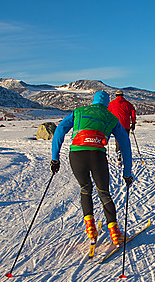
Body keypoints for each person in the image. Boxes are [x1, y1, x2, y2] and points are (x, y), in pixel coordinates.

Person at [51, 90, 134, 246]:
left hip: (76, 156)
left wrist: (55, 158)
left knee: (85, 188)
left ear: (93, 100)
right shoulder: (112, 118)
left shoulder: (79, 112)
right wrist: (127, 173)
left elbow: (60, 129)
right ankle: (115, 233)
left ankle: (90, 229)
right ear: (107, 103)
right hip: (97, 156)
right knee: (103, 192)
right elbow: (125, 145)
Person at [107, 89, 136, 164]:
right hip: (126, 125)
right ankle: (125, 154)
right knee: (125, 139)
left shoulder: (111, 104)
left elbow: (107, 113)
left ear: (116, 96)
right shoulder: (128, 104)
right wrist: (133, 123)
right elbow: (133, 114)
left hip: (115, 125)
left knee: (117, 139)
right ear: (122, 95)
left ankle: (118, 152)